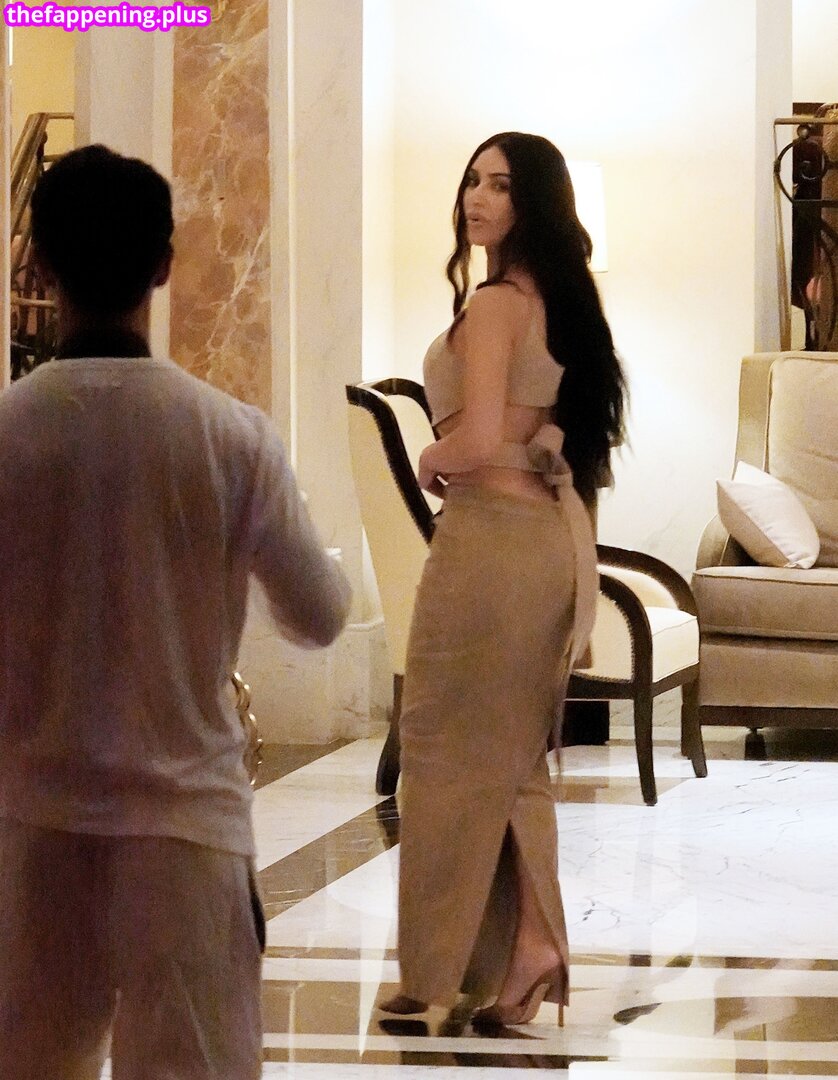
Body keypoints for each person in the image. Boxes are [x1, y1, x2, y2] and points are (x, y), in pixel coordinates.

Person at [0, 145, 351, 1079]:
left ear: (40, 265)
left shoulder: (9, 432)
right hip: (185, 831)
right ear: (163, 265)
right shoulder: (230, 436)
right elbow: (320, 615)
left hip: (33, 822)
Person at [381, 132, 626, 1026]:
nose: (477, 199)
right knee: (511, 758)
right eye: (473, 181)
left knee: (441, 753)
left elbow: (480, 437)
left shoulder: (494, 306)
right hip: (546, 546)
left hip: (490, 546)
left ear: (535, 205)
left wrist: (429, 455)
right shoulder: (559, 302)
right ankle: (527, 951)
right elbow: (551, 430)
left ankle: (437, 971)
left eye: (501, 186)